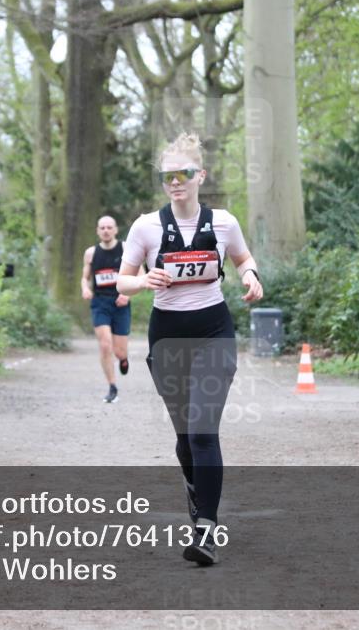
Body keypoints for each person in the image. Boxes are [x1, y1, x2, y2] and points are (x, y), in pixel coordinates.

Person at [116, 133, 263, 566]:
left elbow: (243, 258)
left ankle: (206, 531)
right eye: (168, 176)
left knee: (202, 431)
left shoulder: (224, 223)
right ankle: (197, 492)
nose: (176, 182)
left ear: (201, 176)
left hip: (213, 330)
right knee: (185, 438)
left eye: (184, 173)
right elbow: (122, 280)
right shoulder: (145, 227)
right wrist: (143, 281)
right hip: (167, 336)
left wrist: (251, 276)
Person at [81, 216, 133, 404]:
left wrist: (127, 294)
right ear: (97, 230)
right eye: (102, 227)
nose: (106, 230)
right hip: (100, 303)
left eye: (109, 227)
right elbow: (85, 278)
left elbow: (139, 274)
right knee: (105, 345)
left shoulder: (126, 248)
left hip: (120, 303)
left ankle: (124, 359)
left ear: (115, 230)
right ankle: (112, 387)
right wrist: (85, 288)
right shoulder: (91, 253)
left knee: (119, 352)